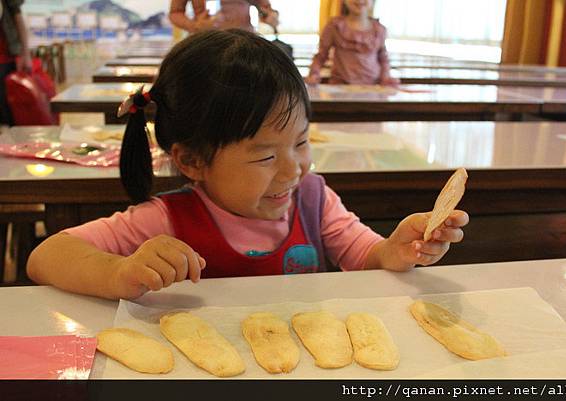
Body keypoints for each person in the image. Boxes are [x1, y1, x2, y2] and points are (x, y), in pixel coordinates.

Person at [26, 30, 468, 300]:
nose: (292, 169)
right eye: (265, 155)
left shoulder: (313, 199)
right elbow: (46, 255)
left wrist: (395, 250)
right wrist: (120, 270)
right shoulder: (166, 220)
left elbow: (364, 256)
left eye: (301, 142)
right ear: (192, 160)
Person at [306, 0, 398, 86]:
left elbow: (383, 59)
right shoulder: (334, 26)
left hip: (372, 87)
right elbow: (321, 56)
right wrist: (314, 74)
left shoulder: (379, 29)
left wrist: (386, 77)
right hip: (340, 86)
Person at [0, 0, 32, 125]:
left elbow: (18, 19)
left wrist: (25, 54)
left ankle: (13, 142)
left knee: (8, 108)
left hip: (6, 59)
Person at [168, 0, 279, 33]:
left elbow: (266, 9)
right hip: (205, 40)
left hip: (244, 39)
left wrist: (270, 16)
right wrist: (195, 26)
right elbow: (175, 12)